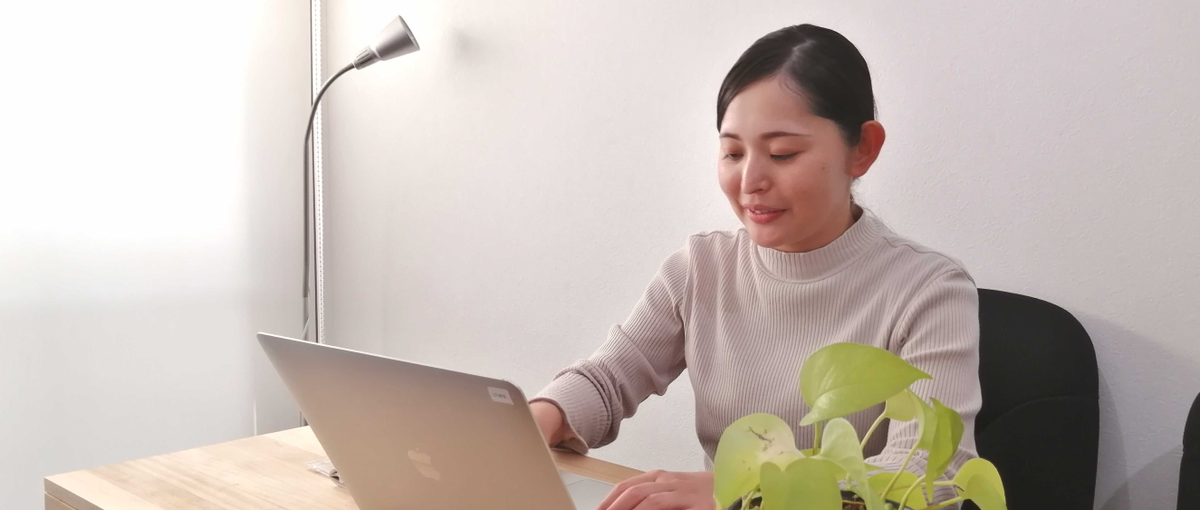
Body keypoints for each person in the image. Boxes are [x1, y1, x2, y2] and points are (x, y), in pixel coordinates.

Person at [531, 23, 981, 510]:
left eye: (782, 154)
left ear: (863, 149)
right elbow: (608, 377)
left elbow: (928, 479)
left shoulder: (929, 291)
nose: (750, 181)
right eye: (732, 152)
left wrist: (745, 492)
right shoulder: (702, 267)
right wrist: (537, 418)